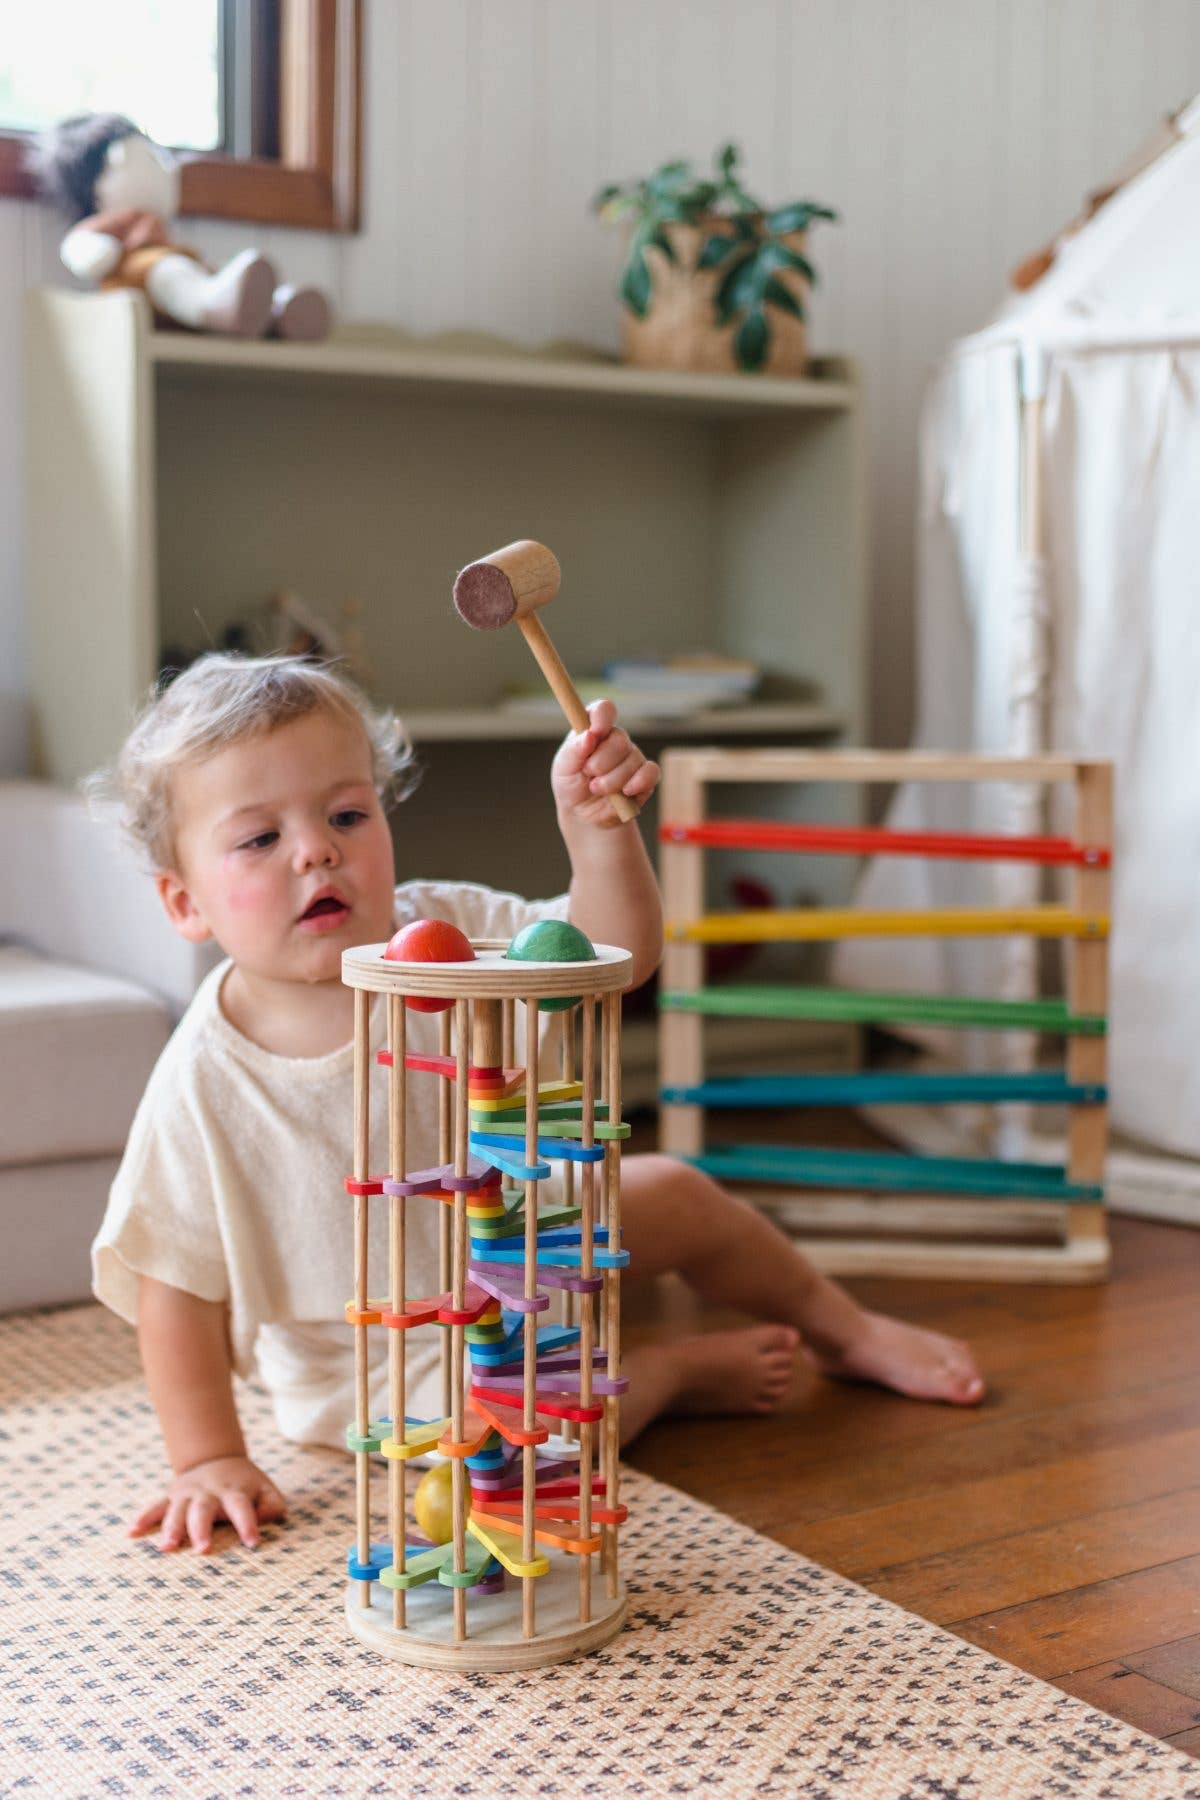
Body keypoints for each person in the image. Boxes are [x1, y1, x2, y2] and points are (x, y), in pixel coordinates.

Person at [92, 654, 984, 1557]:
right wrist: (205, 1457)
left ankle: (848, 1329)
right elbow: (173, 1285)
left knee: (676, 1188)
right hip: (382, 1363)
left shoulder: (448, 933)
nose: (317, 849)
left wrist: (597, 832)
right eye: (258, 839)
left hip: (523, 1251)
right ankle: (665, 1376)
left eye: (347, 815)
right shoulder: (205, 1078)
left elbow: (610, 958)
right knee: (516, 1440)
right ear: (185, 902)